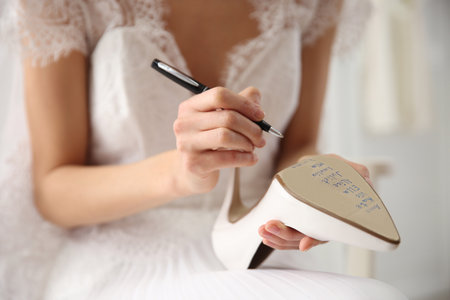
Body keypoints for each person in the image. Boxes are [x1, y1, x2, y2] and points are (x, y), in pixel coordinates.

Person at [0, 0, 406, 299]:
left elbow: (297, 143)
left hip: (260, 250)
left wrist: (313, 186)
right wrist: (180, 172)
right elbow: (53, 193)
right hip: (123, 258)